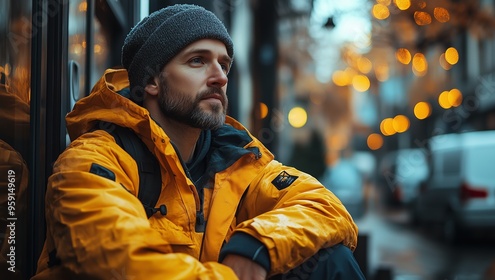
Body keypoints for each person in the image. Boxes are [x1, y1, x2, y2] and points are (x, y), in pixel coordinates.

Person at [32, 4, 364, 279]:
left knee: (329, 261)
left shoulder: (238, 161)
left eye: (224, 63)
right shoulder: (93, 160)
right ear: (152, 82)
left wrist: (258, 246)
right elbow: (121, 260)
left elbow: (326, 209)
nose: (220, 76)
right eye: (197, 61)